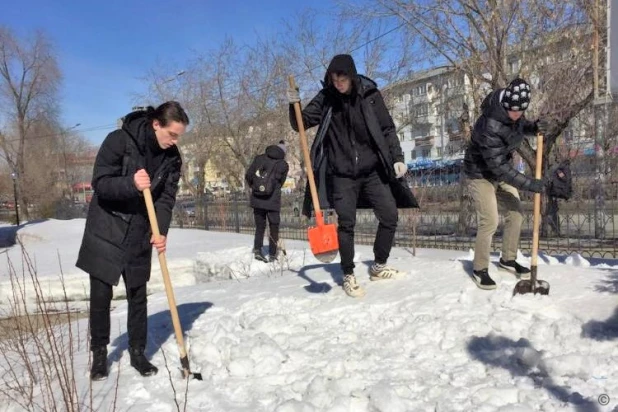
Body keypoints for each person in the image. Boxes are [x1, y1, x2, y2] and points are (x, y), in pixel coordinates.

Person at [287, 54, 419, 298]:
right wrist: (292, 103)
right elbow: (300, 123)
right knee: (346, 225)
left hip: (372, 171)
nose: (338, 84)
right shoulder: (327, 98)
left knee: (389, 215)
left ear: (352, 75)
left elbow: (387, 128)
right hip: (342, 175)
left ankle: (379, 266)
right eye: (334, 79)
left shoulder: (369, 95)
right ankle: (348, 274)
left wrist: (397, 158)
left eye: (342, 79)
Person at [76, 102, 189, 380]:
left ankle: (138, 353)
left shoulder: (172, 158)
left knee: (138, 296)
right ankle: (100, 355)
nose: (174, 141)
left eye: (178, 136)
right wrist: (130, 183)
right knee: (101, 297)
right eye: (172, 134)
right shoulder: (119, 140)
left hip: (139, 230)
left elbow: (165, 198)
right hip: (107, 228)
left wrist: (160, 230)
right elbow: (100, 183)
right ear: (156, 124)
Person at [464, 78, 550, 290]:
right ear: (505, 105)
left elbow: (519, 127)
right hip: (480, 174)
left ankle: (508, 259)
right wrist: (529, 184)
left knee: (516, 213)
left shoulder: (514, 113)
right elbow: (499, 167)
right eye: (513, 111)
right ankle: (480, 268)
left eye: (520, 111)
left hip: (500, 170)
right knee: (490, 220)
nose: (516, 115)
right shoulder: (489, 125)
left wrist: (534, 127)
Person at [245, 140, 289, 262]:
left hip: (257, 199)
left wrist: (255, 187)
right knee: (274, 227)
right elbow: (281, 183)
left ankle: (258, 250)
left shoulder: (259, 158)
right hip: (273, 201)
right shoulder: (283, 164)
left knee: (260, 226)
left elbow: (248, 175)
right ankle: (273, 254)